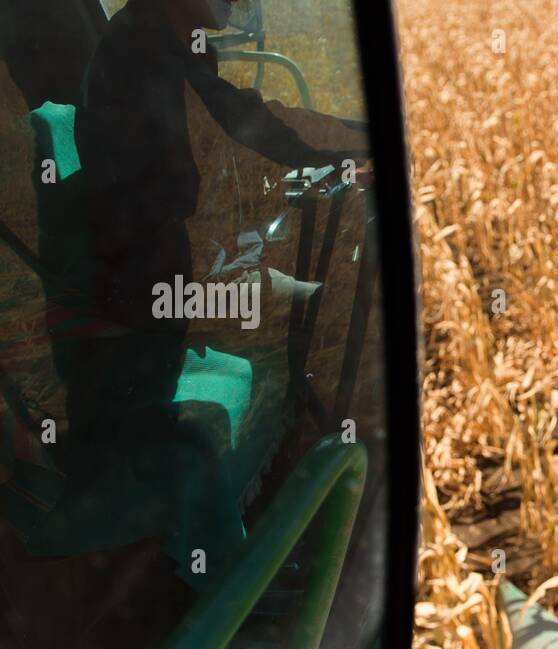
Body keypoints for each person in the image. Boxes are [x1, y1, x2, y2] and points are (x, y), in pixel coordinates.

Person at [61, 0, 364, 585]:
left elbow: (233, 108)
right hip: (136, 272)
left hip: (153, 259)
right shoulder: (136, 51)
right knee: (160, 410)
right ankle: (205, 574)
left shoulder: (168, 34)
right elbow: (229, 120)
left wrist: (336, 153)